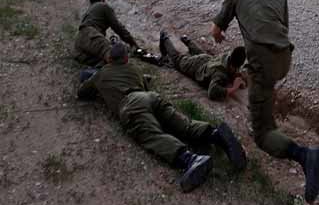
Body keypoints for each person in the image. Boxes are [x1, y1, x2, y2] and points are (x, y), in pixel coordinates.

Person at [211, 0, 319, 204]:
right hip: (284, 58)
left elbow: (216, 29)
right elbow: (281, 26)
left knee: (261, 134)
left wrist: (219, 37)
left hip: (263, 65)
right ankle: (266, 108)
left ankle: (305, 155)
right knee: (263, 87)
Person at [77, 42, 247, 193]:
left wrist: (95, 80)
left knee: (152, 135)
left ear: (109, 59)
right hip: (150, 96)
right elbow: (143, 85)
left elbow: (83, 92)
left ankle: (190, 159)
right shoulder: (134, 69)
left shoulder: (101, 74)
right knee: (181, 123)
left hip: (130, 105)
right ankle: (215, 134)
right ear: (126, 59)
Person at [159, 31, 247, 101]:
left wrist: (237, 77)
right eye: (236, 68)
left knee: (200, 53)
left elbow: (233, 70)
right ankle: (165, 38)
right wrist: (234, 88)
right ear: (233, 66)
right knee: (178, 59)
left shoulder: (227, 56)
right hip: (196, 66)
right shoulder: (219, 75)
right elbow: (212, 92)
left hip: (208, 60)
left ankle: (187, 41)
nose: (237, 70)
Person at [74, 0, 138, 66]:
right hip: (91, 35)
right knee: (115, 58)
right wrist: (133, 43)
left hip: (79, 45)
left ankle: (97, 73)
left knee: (102, 61)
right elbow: (118, 28)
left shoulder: (89, 10)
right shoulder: (103, 6)